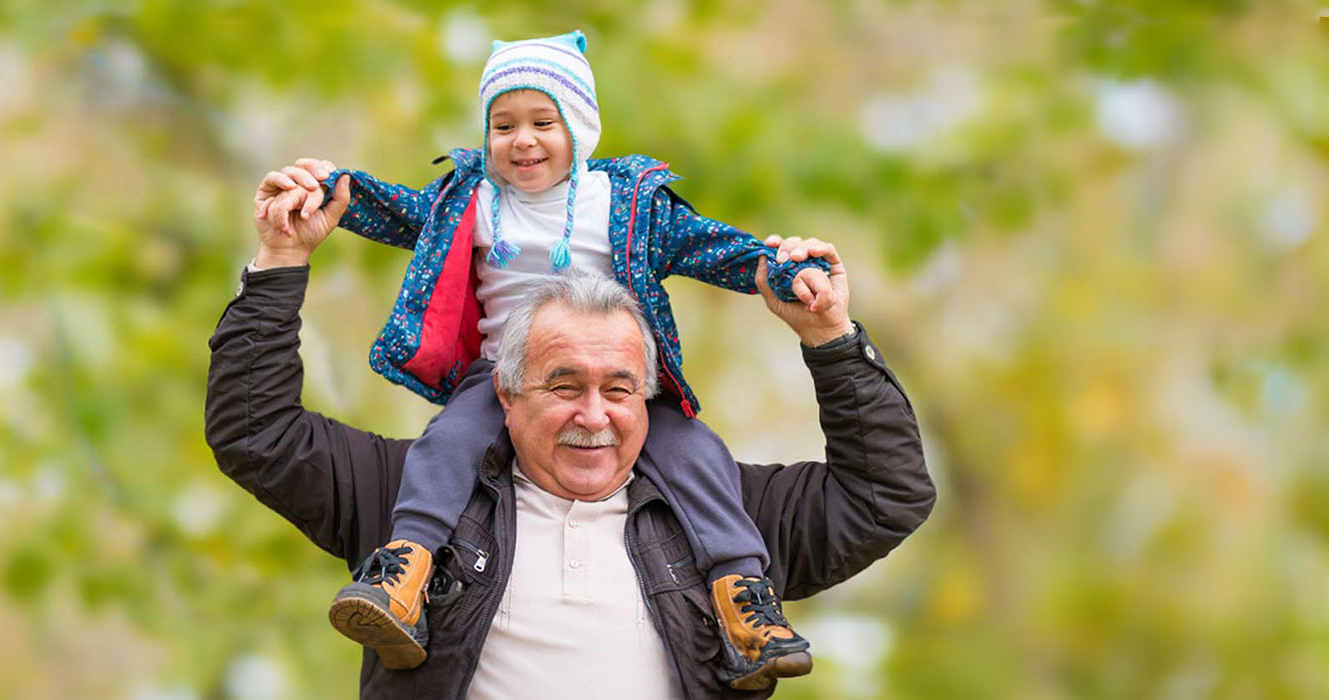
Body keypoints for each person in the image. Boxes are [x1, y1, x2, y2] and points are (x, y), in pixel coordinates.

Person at [252, 30, 834, 685]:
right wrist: (332, 190)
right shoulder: (471, 201)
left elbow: (711, 248)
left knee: (698, 456)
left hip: (616, 380)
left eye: (541, 122)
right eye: (503, 125)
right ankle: (403, 575)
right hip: (505, 376)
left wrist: (782, 269)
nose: (521, 140)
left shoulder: (623, 202)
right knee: (445, 447)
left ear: (580, 127)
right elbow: (397, 211)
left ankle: (742, 605)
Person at [207, 183, 934, 696]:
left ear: (648, 398)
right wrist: (280, 259)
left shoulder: (725, 517)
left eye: (619, 389)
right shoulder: (414, 501)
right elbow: (256, 432)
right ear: (506, 390)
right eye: (563, 386)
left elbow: (884, 496)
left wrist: (828, 337)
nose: (594, 414)